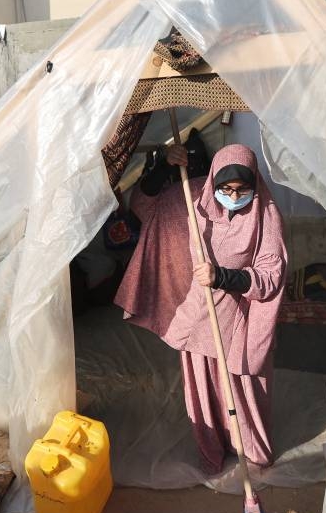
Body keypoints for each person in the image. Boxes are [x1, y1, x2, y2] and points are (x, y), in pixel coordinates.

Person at [115, 142, 287, 474]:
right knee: (203, 393)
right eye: (226, 189)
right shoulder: (192, 198)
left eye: (242, 189)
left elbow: (271, 275)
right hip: (197, 319)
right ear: (213, 182)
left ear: (254, 183)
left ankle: (249, 452)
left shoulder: (265, 213)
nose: (234, 197)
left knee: (242, 392)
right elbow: (144, 205)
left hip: (238, 322)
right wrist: (163, 167)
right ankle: (212, 450)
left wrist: (222, 276)